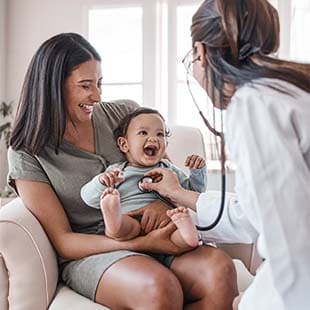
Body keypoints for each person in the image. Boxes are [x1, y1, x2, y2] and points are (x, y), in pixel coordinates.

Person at [7, 32, 238, 309]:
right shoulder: (27, 152)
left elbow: (166, 173)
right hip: (96, 251)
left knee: (220, 270)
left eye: (99, 83)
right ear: (53, 86)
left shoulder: (124, 114)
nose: (97, 95)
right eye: (85, 86)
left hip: (160, 232)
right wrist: (143, 244)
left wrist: (161, 202)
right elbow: (65, 242)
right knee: (159, 288)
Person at [140, 1, 310, 310]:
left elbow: (293, 250)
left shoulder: (254, 106)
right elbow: (254, 213)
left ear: (201, 53)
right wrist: (178, 195)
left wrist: (255, 302)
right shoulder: (289, 90)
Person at [81, 107, 206, 248]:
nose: (153, 138)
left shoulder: (169, 169)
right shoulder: (117, 171)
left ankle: (188, 233)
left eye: (160, 134)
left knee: (177, 234)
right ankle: (113, 218)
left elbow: (193, 194)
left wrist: (197, 172)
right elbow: (88, 198)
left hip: (166, 221)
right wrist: (101, 182)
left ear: (166, 145)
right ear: (124, 144)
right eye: (143, 133)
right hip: (131, 218)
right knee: (123, 228)